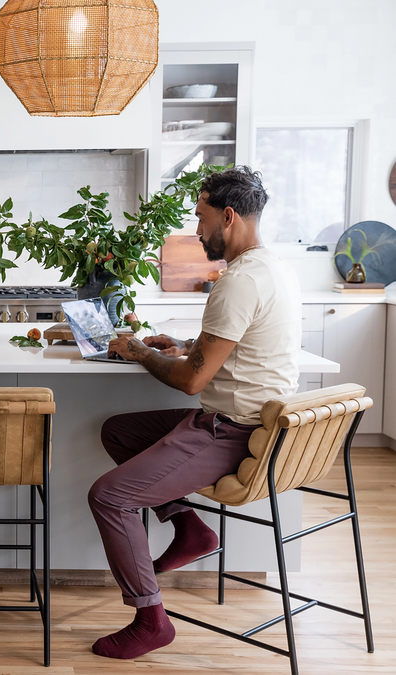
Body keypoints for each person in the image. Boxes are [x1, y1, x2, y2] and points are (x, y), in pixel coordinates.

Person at [88, 165, 302, 660]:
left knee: (109, 497)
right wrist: (185, 344)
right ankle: (190, 529)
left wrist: (142, 352)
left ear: (228, 217)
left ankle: (150, 620)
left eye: (201, 217)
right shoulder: (274, 268)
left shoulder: (237, 283)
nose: (195, 229)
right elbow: (243, 345)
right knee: (120, 431)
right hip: (252, 421)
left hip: (234, 432)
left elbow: (190, 383)